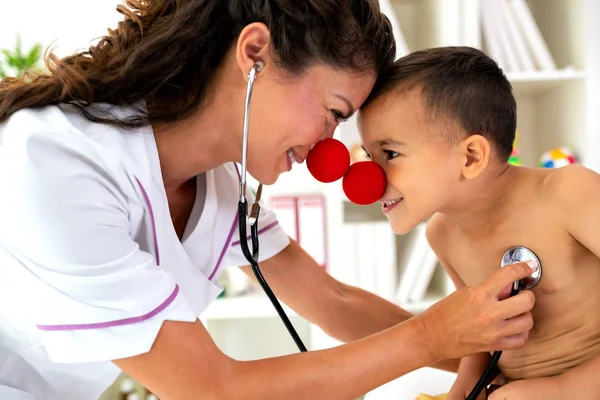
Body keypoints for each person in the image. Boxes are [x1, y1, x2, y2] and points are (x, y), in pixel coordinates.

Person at [0, 1, 537, 398]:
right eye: (334, 112)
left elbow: (334, 303)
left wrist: (500, 356)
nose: (330, 148)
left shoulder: (225, 183)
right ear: (255, 53)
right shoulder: (54, 161)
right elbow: (212, 389)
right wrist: (435, 335)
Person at [358, 46, 600, 400]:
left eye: (390, 154)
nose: (368, 179)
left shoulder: (569, 193)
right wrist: (462, 391)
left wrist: (563, 389)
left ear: (470, 156)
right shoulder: (441, 235)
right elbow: (481, 338)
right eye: (368, 155)